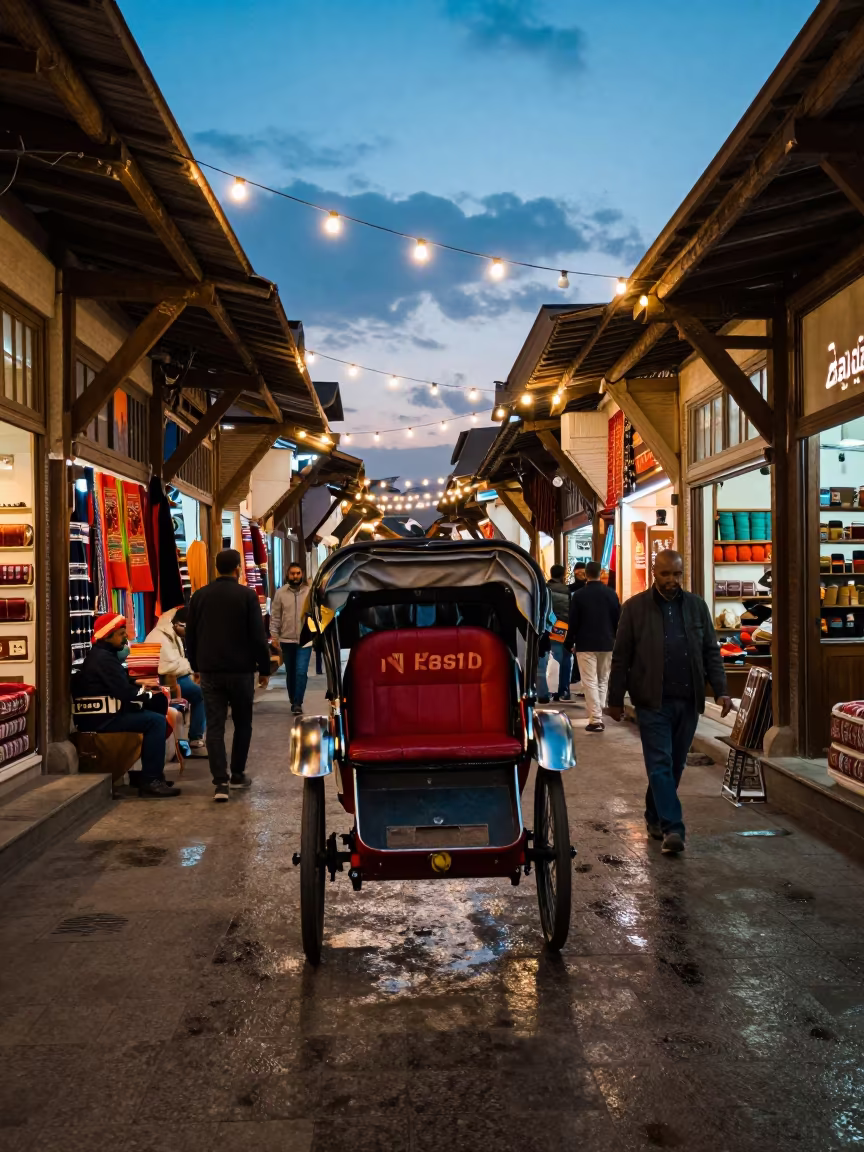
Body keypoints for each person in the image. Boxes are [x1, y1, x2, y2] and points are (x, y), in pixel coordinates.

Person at [606, 549, 732, 854]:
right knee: (659, 763)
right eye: (666, 574)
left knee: (674, 765)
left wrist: (722, 689)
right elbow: (621, 657)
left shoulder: (697, 607)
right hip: (652, 701)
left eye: (677, 574)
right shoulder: (634, 609)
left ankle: (653, 814)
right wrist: (615, 700)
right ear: (654, 572)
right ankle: (673, 828)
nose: (672, 580)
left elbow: (710, 651)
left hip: (688, 700)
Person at [186, 548, 271, 802]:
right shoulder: (247, 596)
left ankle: (220, 783)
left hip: (210, 671)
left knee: (214, 726)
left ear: (216, 569)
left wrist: (195, 666)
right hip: (241, 671)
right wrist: (264, 668)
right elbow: (258, 636)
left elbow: (191, 636)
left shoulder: (200, 596)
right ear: (238, 569)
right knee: (243, 723)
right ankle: (237, 773)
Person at [71, 612, 179, 798]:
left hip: (104, 715)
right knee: (155, 722)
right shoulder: (103, 659)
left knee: (154, 715)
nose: (126, 638)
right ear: (108, 635)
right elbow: (125, 693)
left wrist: (138, 685)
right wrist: (150, 696)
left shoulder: (102, 656)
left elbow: (120, 683)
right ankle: (151, 780)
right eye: (121, 634)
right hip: (103, 719)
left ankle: (148, 776)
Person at [564, 561, 620, 732]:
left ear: (587, 574)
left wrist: (569, 641)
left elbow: (573, 621)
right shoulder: (611, 594)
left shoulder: (579, 595)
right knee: (603, 680)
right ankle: (598, 714)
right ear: (599, 573)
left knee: (589, 681)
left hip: (585, 643)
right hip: (607, 642)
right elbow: (618, 619)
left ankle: (596, 718)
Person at [145, 606, 206, 753]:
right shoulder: (159, 637)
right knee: (201, 693)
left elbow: (179, 662)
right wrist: (193, 668)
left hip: (175, 677)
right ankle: (196, 738)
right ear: (179, 624)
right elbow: (169, 667)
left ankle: (196, 736)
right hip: (166, 681)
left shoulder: (172, 633)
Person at [270, 563, 312, 715]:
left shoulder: (309, 592)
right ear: (287, 575)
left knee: (301, 671)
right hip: (286, 640)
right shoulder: (280, 593)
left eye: (298, 573)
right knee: (291, 672)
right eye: (292, 573)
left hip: (305, 640)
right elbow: (275, 616)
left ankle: (297, 702)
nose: (295, 576)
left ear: (302, 574)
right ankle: (293, 699)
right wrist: (274, 636)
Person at [544, 563, 573, 702]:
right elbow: (569, 611)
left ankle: (549, 689)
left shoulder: (545, 589)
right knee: (564, 659)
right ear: (562, 575)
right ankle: (563, 690)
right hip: (563, 628)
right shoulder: (566, 590)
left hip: (548, 627)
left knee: (549, 658)